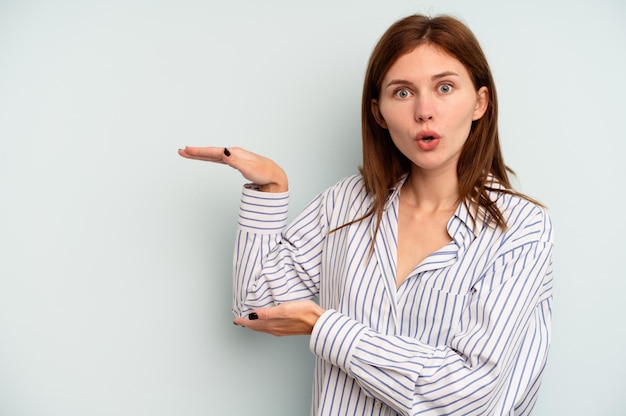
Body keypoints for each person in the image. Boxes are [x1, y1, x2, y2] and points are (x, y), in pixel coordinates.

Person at [179, 14, 553, 416]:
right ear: (379, 113)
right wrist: (268, 192)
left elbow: (466, 394)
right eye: (403, 92)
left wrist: (325, 327)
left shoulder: (521, 228)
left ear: (479, 102)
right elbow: (254, 304)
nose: (424, 111)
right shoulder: (345, 204)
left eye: (445, 87)